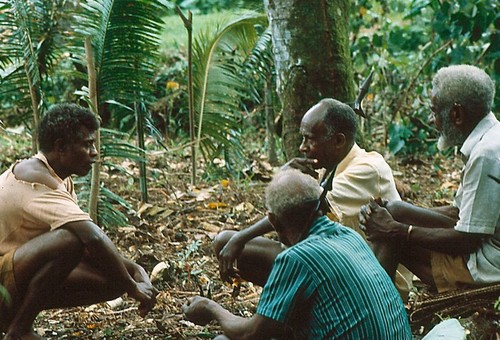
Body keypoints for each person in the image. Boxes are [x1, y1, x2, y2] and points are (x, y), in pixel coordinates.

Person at [213, 98, 412, 295]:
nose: (302, 147)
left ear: (338, 141)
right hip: (341, 262)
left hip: (371, 282)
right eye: (303, 138)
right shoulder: (330, 167)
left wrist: (241, 237)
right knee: (225, 241)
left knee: (236, 242)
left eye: (310, 139)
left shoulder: (366, 168)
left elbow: (307, 207)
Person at [183, 169, 412, 339]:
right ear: (321, 207)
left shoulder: (295, 258)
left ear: (273, 222)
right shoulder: (350, 236)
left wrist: (211, 307)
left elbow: (250, 333)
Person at [0, 104, 158, 339]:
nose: (94, 152)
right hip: (4, 278)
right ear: (60, 147)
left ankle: (14, 320)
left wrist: (133, 270)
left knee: (112, 280)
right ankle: (19, 329)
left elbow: (91, 246)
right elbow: (91, 237)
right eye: (86, 144)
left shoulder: (56, 177)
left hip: (13, 271)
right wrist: (133, 286)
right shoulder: (38, 180)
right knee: (71, 241)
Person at [359, 64, 500, 293]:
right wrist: (398, 210)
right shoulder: (491, 138)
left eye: (434, 111)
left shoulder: (486, 155)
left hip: (487, 267)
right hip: (481, 245)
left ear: (456, 114)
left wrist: (396, 230)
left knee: (391, 236)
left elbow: (468, 239)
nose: (432, 119)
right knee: (394, 211)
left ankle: (374, 305)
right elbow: (459, 213)